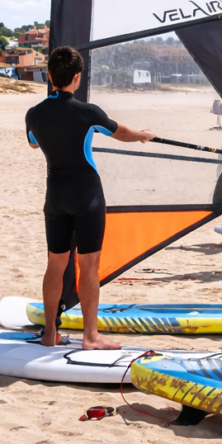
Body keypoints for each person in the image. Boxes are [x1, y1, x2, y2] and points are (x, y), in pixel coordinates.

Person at [25, 46, 156, 349]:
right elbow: (119, 131)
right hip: (86, 196)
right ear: (78, 77)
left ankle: (49, 334)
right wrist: (142, 134)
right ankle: (90, 337)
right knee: (89, 266)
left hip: (54, 196)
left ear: (49, 75)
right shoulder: (87, 112)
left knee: (55, 265)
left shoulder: (34, 114)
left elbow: (33, 144)